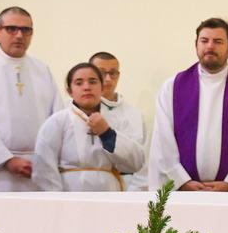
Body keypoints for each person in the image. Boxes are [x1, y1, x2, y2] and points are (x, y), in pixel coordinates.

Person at [149, 17, 228, 192]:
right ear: (196, 46)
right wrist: (181, 180)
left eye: (218, 42)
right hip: (183, 191)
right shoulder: (172, 87)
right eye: (204, 41)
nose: (210, 46)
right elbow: (163, 138)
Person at [0, 7, 58, 193]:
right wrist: (6, 159)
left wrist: (46, 161)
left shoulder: (41, 69)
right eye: (12, 29)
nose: (19, 35)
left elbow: (56, 117)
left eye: (26, 30)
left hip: (37, 169)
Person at [34, 62, 147, 192]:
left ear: (102, 88)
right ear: (69, 91)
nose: (86, 87)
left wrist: (107, 133)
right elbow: (44, 167)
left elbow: (136, 163)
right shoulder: (57, 121)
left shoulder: (116, 119)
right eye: (79, 83)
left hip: (110, 194)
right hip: (69, 195)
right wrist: (57, 201)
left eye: (93, 82)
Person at [88, 51, 150, 191]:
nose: (108, 79)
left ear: (118, 75)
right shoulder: (76, 110)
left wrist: (133, 195)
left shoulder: (135, 115)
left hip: (126, 188)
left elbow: (144, 162)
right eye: (102, 73)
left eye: (113, 73)